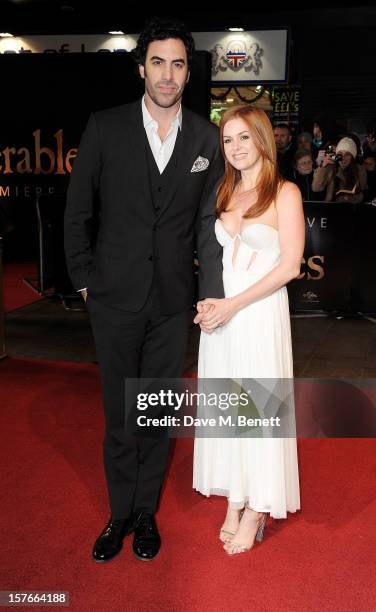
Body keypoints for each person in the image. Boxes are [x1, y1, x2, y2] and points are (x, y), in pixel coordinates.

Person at [64, 17, 224, 563]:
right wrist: (84, 281)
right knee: (119, 414)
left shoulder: (206, 137)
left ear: (187, 74)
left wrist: (213, 293)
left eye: (178, 63)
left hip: (172, 301)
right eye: (158, 61)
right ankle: (117, 514)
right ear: (141, 69)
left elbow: (207, 223)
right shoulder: (105, 127)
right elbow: (78, 212)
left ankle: (145, 514)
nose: (167, 73)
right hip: (113, 297)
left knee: (156, 413)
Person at [193, 104, 304, 555]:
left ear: (262, 139)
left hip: (257, 313)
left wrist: (235, 304)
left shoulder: (285, 193)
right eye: (228, 140)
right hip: (223, 319)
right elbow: (214, 259)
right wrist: (211, 301)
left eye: (244, 138)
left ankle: (257, 505)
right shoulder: (223, 192)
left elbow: (291, 266)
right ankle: (236, 496)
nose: (236, 148)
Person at [312, 137, 367, 203]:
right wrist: (322, 167)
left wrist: (351, 199)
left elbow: (363, 193)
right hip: (332, 208)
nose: (343, 158)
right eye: (340, 154)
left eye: (347, 154)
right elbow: (316, 188)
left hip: (353, 208)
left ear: (353, 156)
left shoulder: (360, 170)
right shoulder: (330, 167)